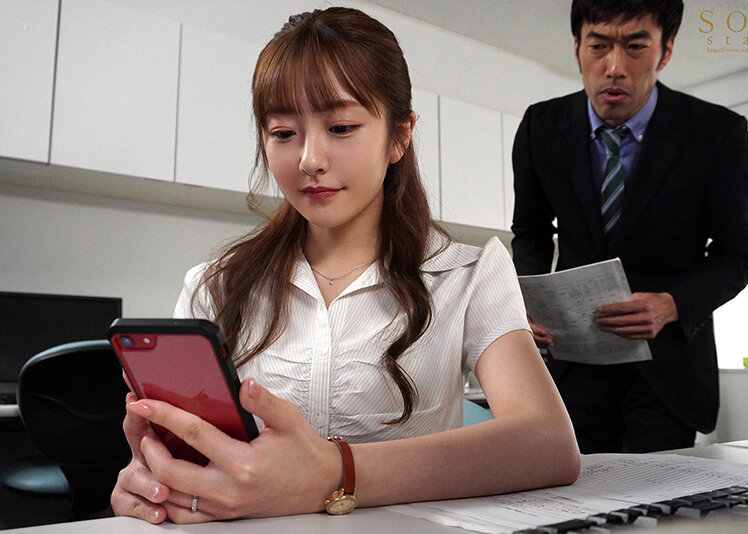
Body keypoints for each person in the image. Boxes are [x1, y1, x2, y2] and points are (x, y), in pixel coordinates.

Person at [111, 7, 579, 524]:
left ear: (400, 135)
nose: (309, 159)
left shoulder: (467, 274)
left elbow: (548, 445)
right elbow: (182, 458)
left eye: (340, 127)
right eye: (283, 133)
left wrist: (333, 472)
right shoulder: (214, 285)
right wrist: (153, 483)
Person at [511, 0, 748, 454]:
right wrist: (525, 303)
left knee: (658, 497)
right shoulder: (540, 127)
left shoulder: (717, 133)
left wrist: (673, 304)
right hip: (573, 369)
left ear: (665, 52)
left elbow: (741, 253)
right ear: (577, 48)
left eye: (635, 47)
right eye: (598, 47)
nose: (614, 68)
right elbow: (530, 232)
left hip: (667, 372)